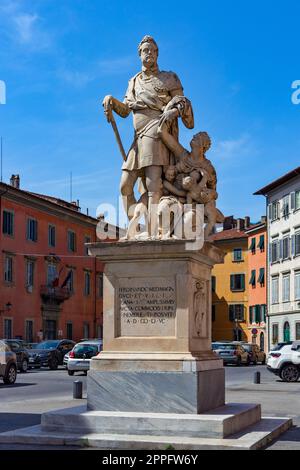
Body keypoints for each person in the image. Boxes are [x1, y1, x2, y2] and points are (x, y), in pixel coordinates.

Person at [102, 36, 194, 236]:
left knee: (153, 186)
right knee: (125, 186)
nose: (149, 53)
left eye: (153, 50)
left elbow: (183, 102)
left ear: (157, 54)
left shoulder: (169, 78)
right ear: (139, 54)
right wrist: (111, 100)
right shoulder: (133, 81)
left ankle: (154, 232)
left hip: (157, 132)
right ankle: (137, 228)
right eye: (146, 50)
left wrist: (173, 111)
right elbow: (126, 110)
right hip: (138, 138)